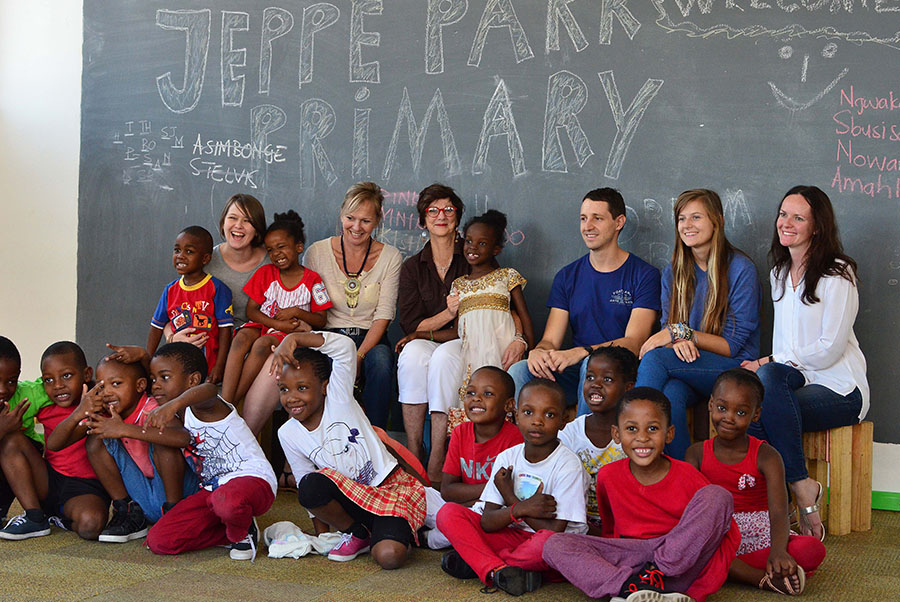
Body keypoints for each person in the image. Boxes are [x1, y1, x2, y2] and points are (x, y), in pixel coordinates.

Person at [742, 185, 868, 542]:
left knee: (765, 400)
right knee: (761, 398)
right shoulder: (779, 273)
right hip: (794, 383)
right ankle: (789, 498)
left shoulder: (838, 273)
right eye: (783, 214)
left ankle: (789, 495)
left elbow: (829, 349)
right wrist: (773, 364)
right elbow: (785, 346)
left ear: (816, 227)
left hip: (840, 388)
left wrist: (769, 361)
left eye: (798, 217)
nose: (786, 223)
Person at [542, 387, 741, 602]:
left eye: (653, 428)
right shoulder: (608, 475)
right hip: (630, 558)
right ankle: (630, 589)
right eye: (631, 429)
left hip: (677, 563)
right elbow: (610, 528)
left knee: (718, 495)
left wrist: (696, 580)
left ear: (669, 434)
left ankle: (652, 579)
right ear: (616, 434)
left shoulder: (687, 475)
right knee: (554, 544)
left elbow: (720, 531)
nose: (642, 438)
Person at [274, 331, 426, 569]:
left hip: (390, 493)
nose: (292, 398)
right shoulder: (287, 433)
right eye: (284, 389)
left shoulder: (339, 398)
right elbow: (307, 487)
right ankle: (358, 533)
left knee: (389, 556)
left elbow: (345, 347)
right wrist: (323, 536)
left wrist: (294, 338)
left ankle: (396, 532)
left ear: (324, 387)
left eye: (302, 388)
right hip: (353, 505)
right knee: (309, 484)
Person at [508, 188, 660, 413]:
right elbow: (550, 340)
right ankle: (527, 437)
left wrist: (584, 352)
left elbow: (634, 342)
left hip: (621, 375)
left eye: (597, 218)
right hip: (576, 370)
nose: (587, 226)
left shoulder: (644, 274)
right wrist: (540, 351)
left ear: (619, 222)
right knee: (520, 370)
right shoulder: (567, 276)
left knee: (592, 366)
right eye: (583, 218)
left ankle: (583, 436)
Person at [636, 189, 761, 460]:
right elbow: (670, 334)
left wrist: (681, 333)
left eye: (696, 217)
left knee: (655, 360)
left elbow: (732, 345)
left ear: (717, 221)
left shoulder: (741, 269)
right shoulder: (673, 272)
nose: (687, 225)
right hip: (689, 366)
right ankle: (683, 475)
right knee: (671, 395)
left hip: (734, 369)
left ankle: (630, 443)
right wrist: (678, 340)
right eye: (682, 218)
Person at [436, 379, 588, 596]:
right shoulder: (507, 457)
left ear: (564, 420)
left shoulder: (568, 465)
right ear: (516, 415)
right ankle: (500, 570)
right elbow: (488, 521)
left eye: (549, 415)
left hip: (549, 543)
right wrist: (520, 508)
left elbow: (553, 531)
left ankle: (482, 564)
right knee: (448, 513)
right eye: (528, 412)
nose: (537, 421)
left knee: (549, 544)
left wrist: (511, 499)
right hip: (511, 534)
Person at [686, 369, 826, 596]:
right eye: (722, 408)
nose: (729, 418)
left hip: (761, 538)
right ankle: (761, 578)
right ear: (711, 404)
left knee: (811, 549)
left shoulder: (767, 456)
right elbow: (692, 511)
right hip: (719, 536)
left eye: (741, 412)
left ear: (756, 414)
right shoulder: (696, 454)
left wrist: (778, 551)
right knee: (693, 549)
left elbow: (778, 511)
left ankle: (732, 569)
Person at [144, 343, 277, 561]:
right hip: (213, 490)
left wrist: (174, 404)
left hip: (253, 480)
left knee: (226, 500)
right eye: (153, 379)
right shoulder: (177, 417)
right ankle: (229, 531)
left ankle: (242, 532)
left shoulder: (204, 407)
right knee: (159, 540)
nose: (156, 385)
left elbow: (209, 390)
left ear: (193, 380)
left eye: (164, 377)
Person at [48, 351, 198, 542]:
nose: (107, 393)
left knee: (163, 441)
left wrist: (124, 429)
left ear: (140, 385)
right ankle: (127, 511)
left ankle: (173, 515)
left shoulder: (153, 409)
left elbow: (182, 438)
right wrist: (80, 412)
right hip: (145, 497)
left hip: (181, 496)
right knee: (97, 437)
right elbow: (54, 444)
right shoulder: (107, 414)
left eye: (116, 384)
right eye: (101, 386)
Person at [407, 209, 533, 436]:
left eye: (482, 243)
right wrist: (419, 335)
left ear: (496, 249)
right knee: (476, 409)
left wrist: (528, 347)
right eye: (469, 241)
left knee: (503, 407)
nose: (473, 247)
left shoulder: (507, 276)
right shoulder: (459, 285)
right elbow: (458, 332)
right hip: (472, 360)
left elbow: (523, 315)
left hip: (503, 354)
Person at [395, 184, 469, 477]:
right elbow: (411, 326)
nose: (441, 216)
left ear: (457, 217)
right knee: (412, 355)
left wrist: (428, 329)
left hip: (464, 340)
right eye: (433, 211)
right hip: (427, 338)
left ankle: (438, 455)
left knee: (442, 358)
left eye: (449, 210)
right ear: (423, 220)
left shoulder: (472, 257)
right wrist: (448, 314)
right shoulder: (412, 267)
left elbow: (473, 319)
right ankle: (414, 451)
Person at [0, 341, 109, 540]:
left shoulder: (100, 402)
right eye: (48, 380)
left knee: (90, 526)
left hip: (84, 486)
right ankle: (34, 516)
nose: (58, 385)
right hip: (48, 478)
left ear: (86, 374)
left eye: (66, 376)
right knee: (11, 439)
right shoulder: (45, 402)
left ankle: (57, 517)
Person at [221, 210, 331, 405]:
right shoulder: (265, 273)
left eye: (281, 247)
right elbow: (251, 311)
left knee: (262, 344)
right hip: (265, 323)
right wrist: (276, 323)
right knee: (241, 338)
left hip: (290, 334)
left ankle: (232, 403)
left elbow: (321, 320)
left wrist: (296, 312)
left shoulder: (313, 280)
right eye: (270, 250)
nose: (276, 254)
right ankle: (225, 398)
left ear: (299, 247)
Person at [427, 366, 523, 549]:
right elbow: (447, 490)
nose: (476, 398)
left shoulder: (516, 439)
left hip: (489, 512)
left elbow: (507, 495)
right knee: (421, 494)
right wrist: (491, 488)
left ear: (509, 405)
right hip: (460, 506)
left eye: (487, 394)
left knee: (479, 516)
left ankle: (431, 538)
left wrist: (477, 499)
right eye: (470, 392)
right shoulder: (460, 432)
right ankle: (453, 533)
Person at [168, 193, 269, 347]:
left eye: (247, 220)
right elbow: (172, 307)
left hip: (256, 345)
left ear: (257, 229)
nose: (238, 225)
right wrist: (172, 338)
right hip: (208, 344)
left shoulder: (272, 262)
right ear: (223, 223)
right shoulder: (203, 259)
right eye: (233, 218)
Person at [559, 346, 635, 534]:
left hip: (624, 528)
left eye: (607, 379)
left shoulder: (636, 435)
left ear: (628, 388)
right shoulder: (570, 433)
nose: (596, 384)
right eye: (590, 377)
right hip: (579, 529)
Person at [147, 226, 234, 384]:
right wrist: (147, 361)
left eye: (189, 251)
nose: (180, 256)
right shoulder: (170, 290)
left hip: (207, 366)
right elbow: (156, 326)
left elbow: (225, 330)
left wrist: (220, 366)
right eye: (177, 250)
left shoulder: (217, 289)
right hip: (176, 365)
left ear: (205, 259)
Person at [0, 336, 52, 524]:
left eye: (11, 381)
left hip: (29, 463)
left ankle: (33, 515)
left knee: (10, 441)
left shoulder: (27, 395)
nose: (3, 389)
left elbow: (60, 384)